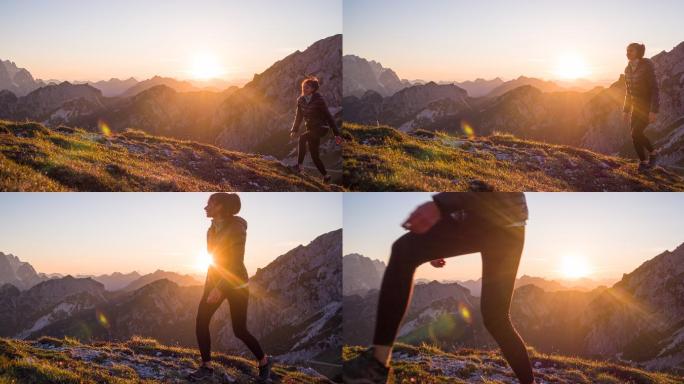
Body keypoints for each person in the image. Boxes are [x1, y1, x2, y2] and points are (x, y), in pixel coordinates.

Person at [343, 193, 535, 384]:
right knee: (496, 318)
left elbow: (485, 184)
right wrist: (436, 240)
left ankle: (376, 364)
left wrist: (440, 205)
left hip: (490, 214)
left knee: (404, 250)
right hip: (510, 223)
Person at [188, 193, 273, 382]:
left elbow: (235, 262)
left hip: (236, 284)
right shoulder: (210, 230)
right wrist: (210, 286)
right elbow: (213, 260)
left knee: (239, 330)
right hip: (215, 281)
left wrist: (220, 288)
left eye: (209, 203)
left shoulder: (236, 228)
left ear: (220, 206)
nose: (205, 207)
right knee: (201, 320)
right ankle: (206, 367)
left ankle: (264, 362)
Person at [290, 76, 343, 183]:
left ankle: (299, 166)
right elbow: (299, 117)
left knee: (302, 138)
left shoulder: (319, 100)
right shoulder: (300, 101)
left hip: (321, 128)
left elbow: (329, 116)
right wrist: (294, 129)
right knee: (315, 156)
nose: (304, 89)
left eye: (307, 87)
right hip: (311, 129)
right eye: (303, 87)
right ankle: (326, 176)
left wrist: (336, 134)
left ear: (313, 89)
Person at [623, 42, 660, 172]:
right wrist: (626, 110)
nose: (627, 53)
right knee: (634, 135)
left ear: (638, 52)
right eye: (627, 51)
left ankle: (653, 153)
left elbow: (655, 89)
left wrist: (654, 111)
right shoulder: (627, 69)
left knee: (636, 132)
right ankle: (643, 162)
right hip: (635, 108)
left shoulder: (646, 67)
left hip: (646, 107)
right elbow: (628, 92)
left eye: (631, 51)